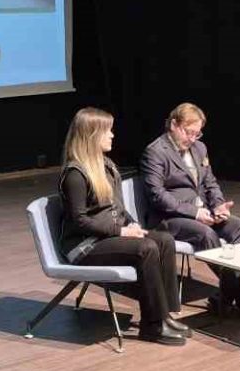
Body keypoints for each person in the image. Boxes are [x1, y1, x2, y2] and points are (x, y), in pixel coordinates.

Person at [58, 108, 186, 346]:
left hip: (105, 237)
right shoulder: (75, 174)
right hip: (84, 245)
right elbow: (80, 221)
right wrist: (121, 231)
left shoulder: (106, 165)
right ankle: (152, 325)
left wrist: (131, 223)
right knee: (146, 248)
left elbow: (116, 206)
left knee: (163, 240)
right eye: (107, 131)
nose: (112, 135)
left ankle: (165, 315)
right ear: (92, 135)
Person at [141, 103, 240, 316]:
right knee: (206, 233)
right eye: (188, 132)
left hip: (204, 211)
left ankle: (226, 296)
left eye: (197, 133)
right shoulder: (155, 152)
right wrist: (194, 213)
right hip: (169, 218)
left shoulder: (200, 148)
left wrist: (218, 204)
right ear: (173, 125)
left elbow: (210, 183)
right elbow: (157, 195)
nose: (192, 138)